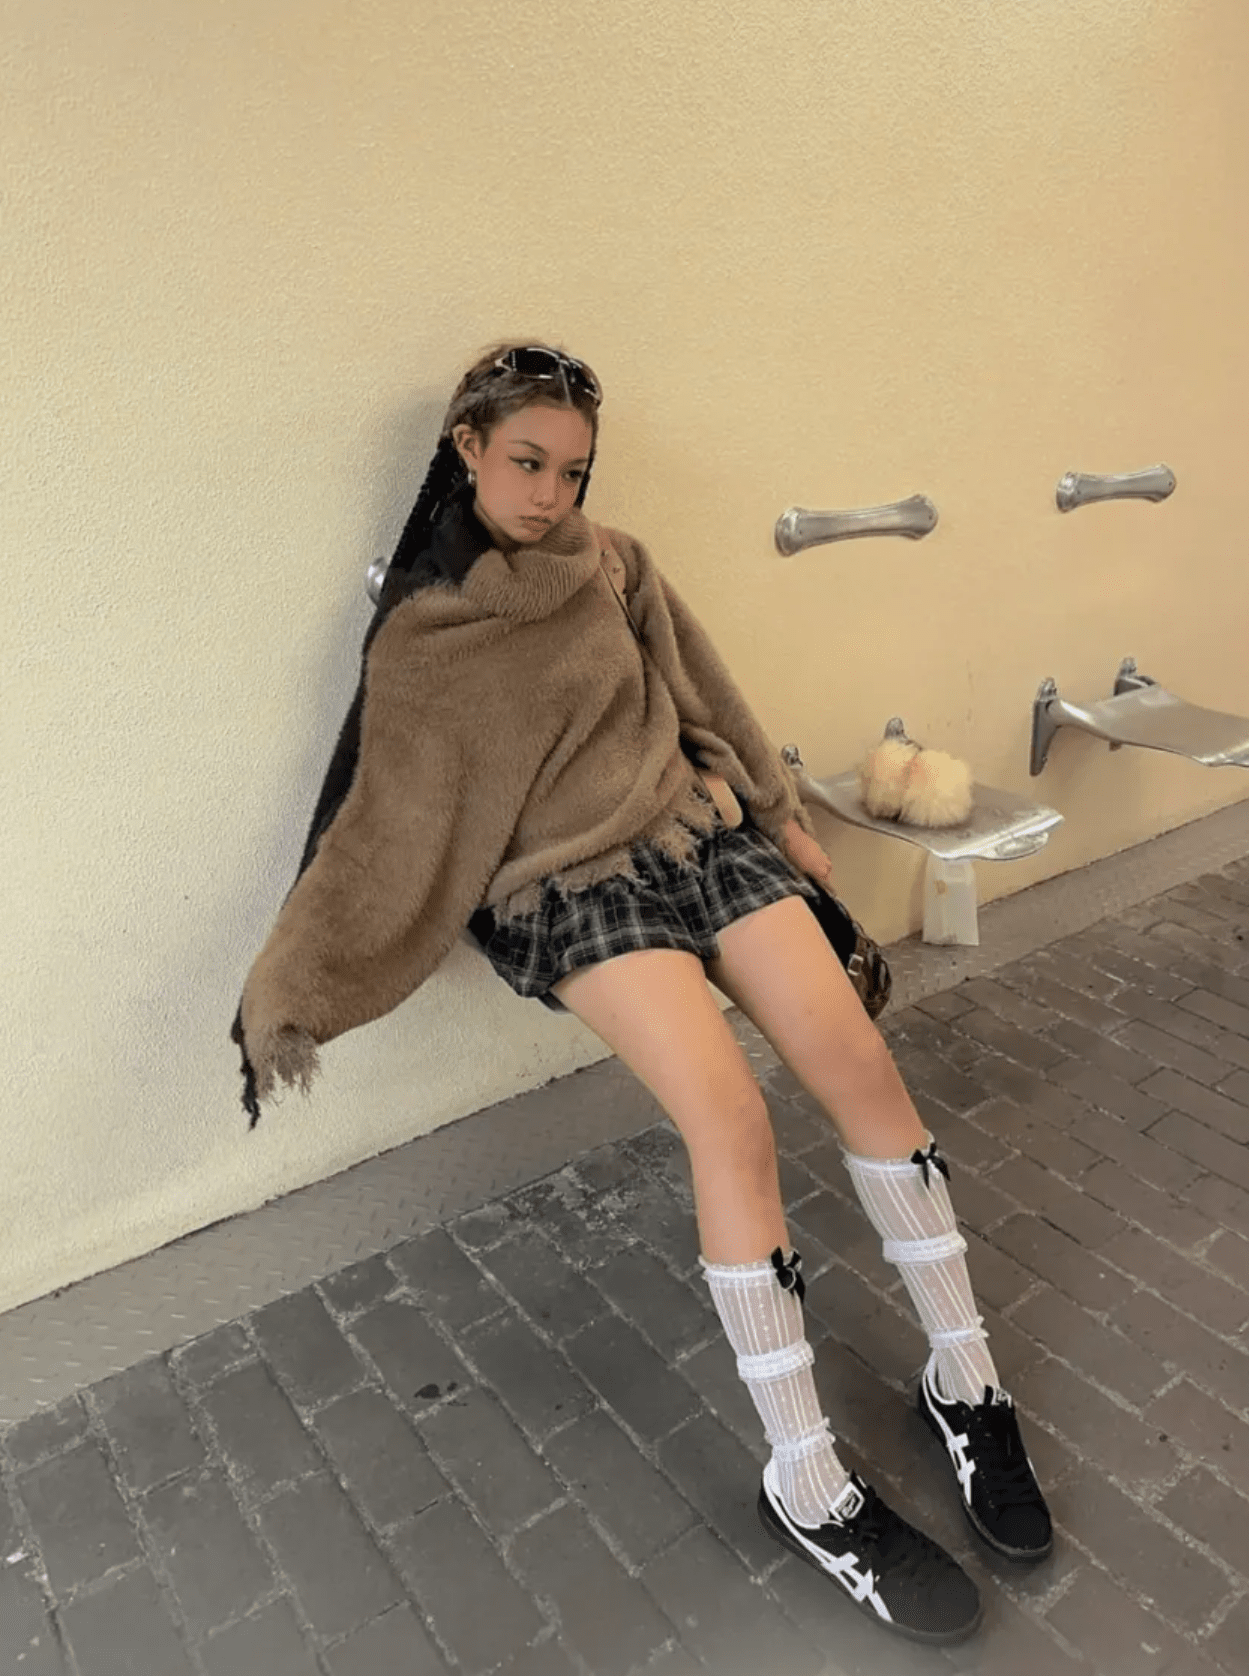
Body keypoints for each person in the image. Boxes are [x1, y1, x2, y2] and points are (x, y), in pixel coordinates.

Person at [233, 340, 1052, 1646]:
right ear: (466, 446)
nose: (549, 493)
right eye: (526, 462)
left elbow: (705, 696)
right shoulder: (427, 632)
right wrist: (300, 978)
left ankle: (968, 1384)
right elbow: (390, 825)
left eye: (572, 470)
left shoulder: (615, 566)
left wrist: (783, 823)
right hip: (571, 888)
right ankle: (808, 1484)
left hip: (697, 834)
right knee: (729, 1117)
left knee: (859, 1062)